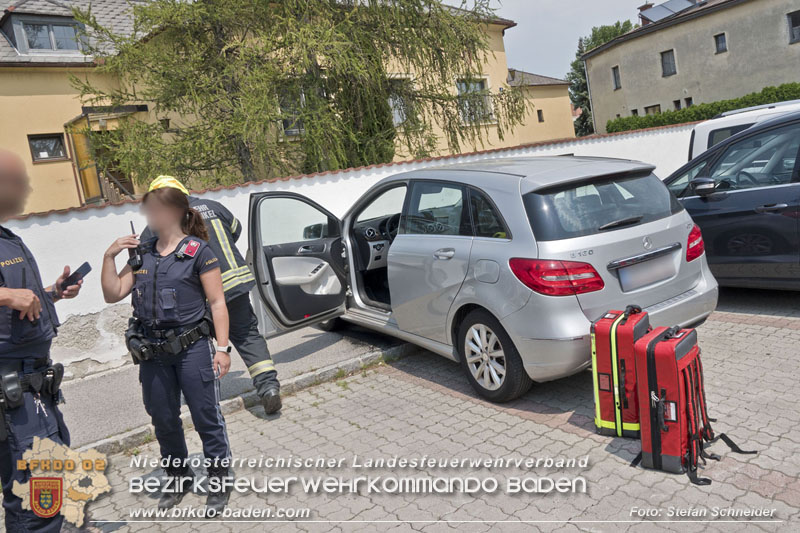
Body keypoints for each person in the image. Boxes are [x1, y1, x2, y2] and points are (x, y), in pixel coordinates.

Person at [101, 183, 233, 514]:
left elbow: (217, 302)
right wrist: (108, 256)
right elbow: (113, 292)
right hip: (153, 354)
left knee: (206, 417)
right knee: (163, 419)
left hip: (192, 350)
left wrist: (223, 348)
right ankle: (179, 477)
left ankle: (219, 481)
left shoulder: (199, 251)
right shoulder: (140, 254)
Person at [141, 176, 281, 414]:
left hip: (196, 297)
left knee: (196, 346)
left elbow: (148, 256)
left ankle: (202, 398)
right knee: (247, 336)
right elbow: (235, 231)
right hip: (234, 284)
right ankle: (268, 388)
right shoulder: (214, 207)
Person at [0, 149, 82, 532]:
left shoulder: (7, 238)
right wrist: (5, 295)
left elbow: (24, 305)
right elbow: (10, 299)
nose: (25, 189)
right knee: (38, 497)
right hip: (12, 390)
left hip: (31, 387)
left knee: (31, 492)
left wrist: (52, 292)